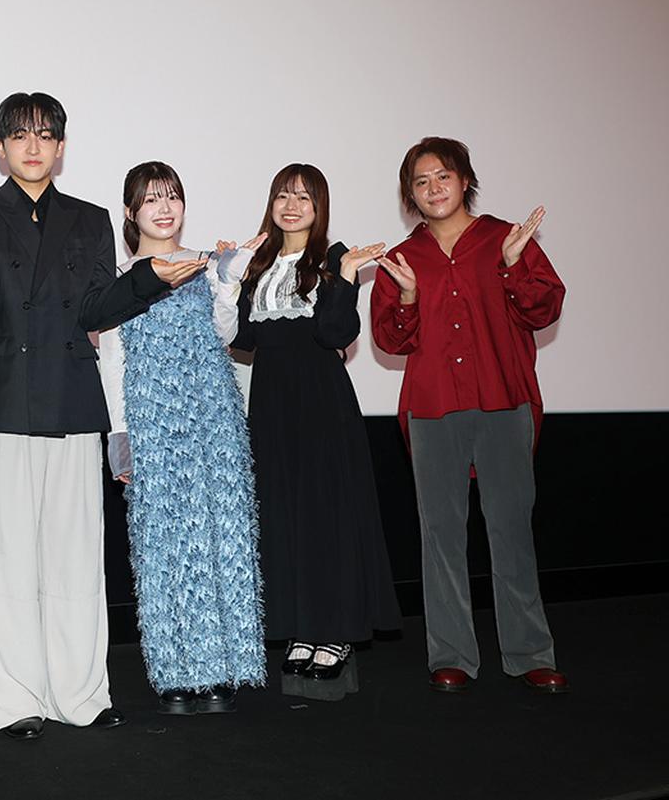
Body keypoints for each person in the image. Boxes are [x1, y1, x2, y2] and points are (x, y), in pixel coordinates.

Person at [0, 92, 202, 740]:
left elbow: (93, 310)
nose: (33, 146)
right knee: (4, 557)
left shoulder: (89, 218)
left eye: (46, 135)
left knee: (77, 556)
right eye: (20, 135)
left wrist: (150, 278)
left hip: (73, 397)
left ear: (60, 146)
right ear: (1, 146)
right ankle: (13, 701)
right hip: (2, 398)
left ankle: (81, 694)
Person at [370, 136, 567, 694]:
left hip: (504, 400)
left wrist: (512, 267)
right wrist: (409, 298)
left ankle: (530, 654)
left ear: (464, 181)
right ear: (410, 195)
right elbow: (388, 340)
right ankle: (451, 654)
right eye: (421, 181)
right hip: (433, 408)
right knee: (440, 535)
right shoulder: (401, 260)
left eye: (443, 176)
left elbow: (545, 308)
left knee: (511, 530)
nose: (434, 188)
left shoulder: (506, 238)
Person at [225, 163, 401, 701]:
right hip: (272, 406)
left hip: (322, 404)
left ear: (320, 206)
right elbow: (243, 340)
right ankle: (302, 628)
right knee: (284, 513)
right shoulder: (259, 263)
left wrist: (343, 278)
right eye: (283, 195)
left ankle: (335, 632)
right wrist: (227, 279)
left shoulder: (333, 258)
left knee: (327, 514)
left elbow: (335, 333)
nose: (292, 205)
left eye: (304, 197)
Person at [97, 161, 266, 715]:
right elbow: (112, 360)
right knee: (162, 545)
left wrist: (229, 280)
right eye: (150, 199)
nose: (164, 208)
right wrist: (120, 437)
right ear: (130, 212)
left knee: (222, 538)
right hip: (152, 423)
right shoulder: (120, 277)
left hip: (214, 419)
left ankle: (223, 667)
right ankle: (173, 670)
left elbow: (225, 335)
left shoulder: (206, 263)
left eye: (172, 196)